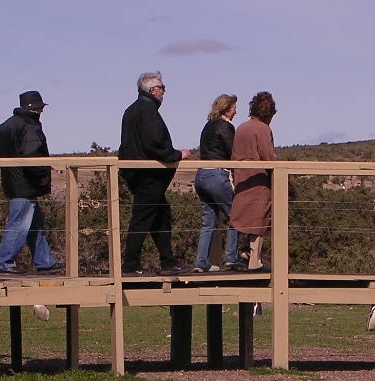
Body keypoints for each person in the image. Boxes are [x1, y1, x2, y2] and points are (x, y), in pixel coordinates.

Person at [118, 71, 190, 276]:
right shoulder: (147, 110)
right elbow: (154, 143)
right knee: (142, 218)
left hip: (138, 174)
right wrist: (177, 154)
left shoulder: (133, 110)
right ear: (152, 90)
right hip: (148, 176)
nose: (165, 91)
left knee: (160, 216)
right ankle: (130, 265)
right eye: (162, 87)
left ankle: (168, 261)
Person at [0, 90, 62, 274]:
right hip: (25, 184)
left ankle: (45, 261)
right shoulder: (30, 126)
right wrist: (42, 174)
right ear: (37, 109)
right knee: (20, 222)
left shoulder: (5, 126)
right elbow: (32, 155)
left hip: (12, 181)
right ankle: (4, 262)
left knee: (35, 222)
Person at [192, 94, 243, 273]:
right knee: (235, 216)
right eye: (234, 108)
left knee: (208, 222)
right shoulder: (226, 127)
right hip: (217, 175)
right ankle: (231, 257)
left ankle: (201, 261)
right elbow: (232, 153)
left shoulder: (207, 126)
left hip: (201, 176)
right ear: (227, 108)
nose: (236, 111)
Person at [229, 91, 277, 272]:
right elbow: (268, 156)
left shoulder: (241, 128)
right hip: (258, 181)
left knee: (243, 218)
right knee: (259, 220)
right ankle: (254, 262)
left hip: (241, 179)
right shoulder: (263, 129)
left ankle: (242, 256)